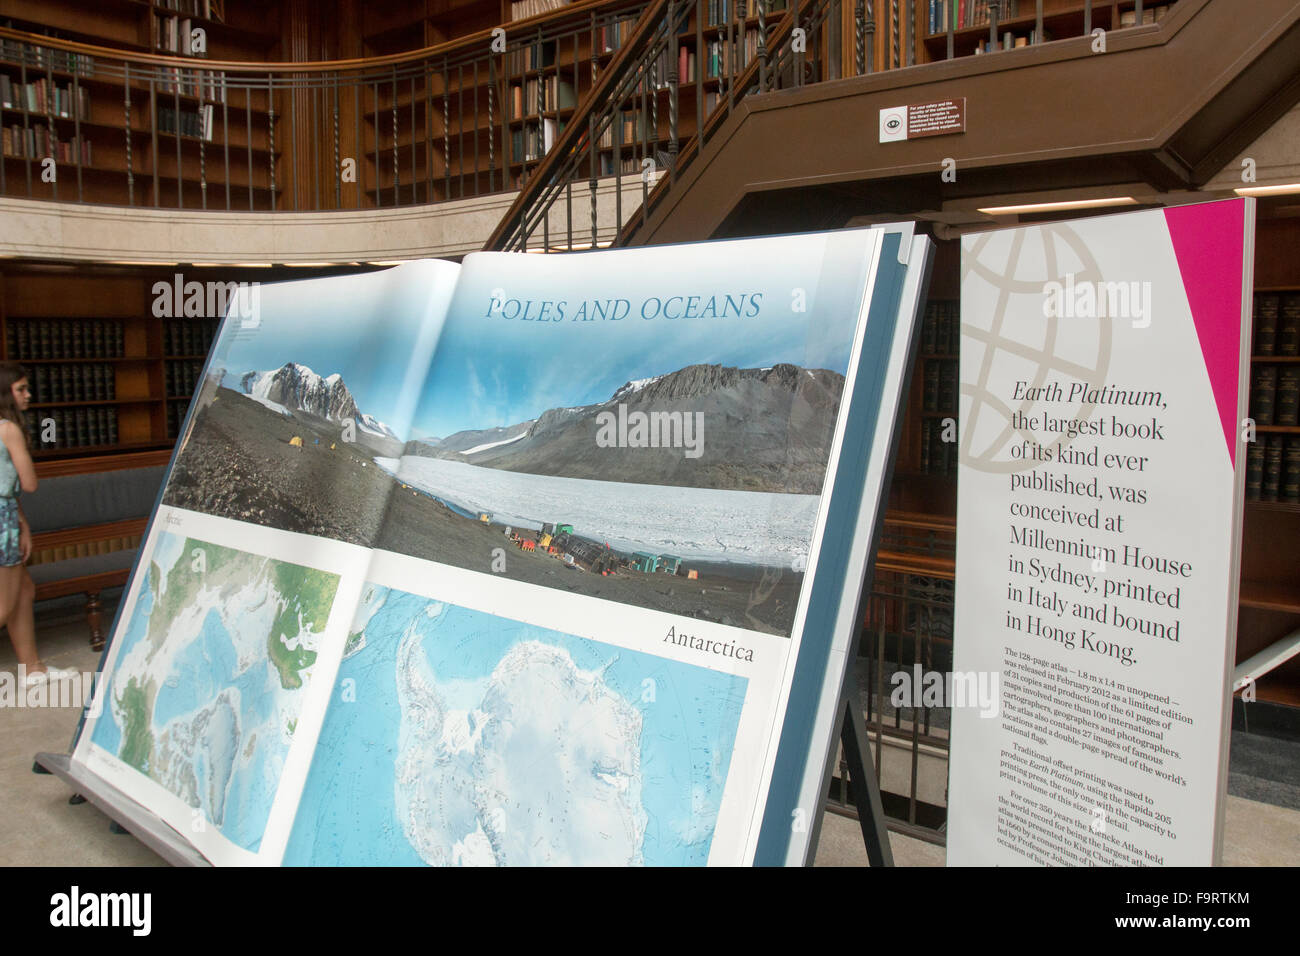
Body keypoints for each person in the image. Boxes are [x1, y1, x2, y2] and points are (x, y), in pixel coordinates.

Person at [0, 362, 72, 685]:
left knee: (24, 590)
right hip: (2, 522)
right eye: (21, 389)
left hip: (8, 516)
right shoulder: (9, 430)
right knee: (3, 605)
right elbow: (28, 484)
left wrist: (23, 524)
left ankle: (32, 668)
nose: (29, 395)